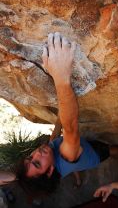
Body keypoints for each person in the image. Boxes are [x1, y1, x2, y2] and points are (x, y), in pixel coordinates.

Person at [14, 32, 100, 194]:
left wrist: (65, 102)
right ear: (50, 171)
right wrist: (61, 77)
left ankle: (78, 173)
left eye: (30, 158)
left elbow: (57, 132)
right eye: (37, 163)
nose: (37, 154)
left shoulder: (50, 153)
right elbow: (70, 128)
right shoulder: (67, 155)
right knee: (111, 149)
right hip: (97, 154)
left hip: (80, 151)